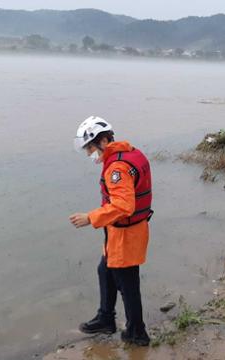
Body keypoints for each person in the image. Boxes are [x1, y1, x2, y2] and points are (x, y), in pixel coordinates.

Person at [69, 116, 153, 346]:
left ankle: (137, 333)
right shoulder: (130, 153)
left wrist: (90, 218)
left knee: (127, 284)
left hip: (126, 234)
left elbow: (124, 206)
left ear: (104, 141)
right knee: (104, 270)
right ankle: (106, 318)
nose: (89, 153)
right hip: (125, 231)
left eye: (90, 147)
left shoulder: (117, 167)